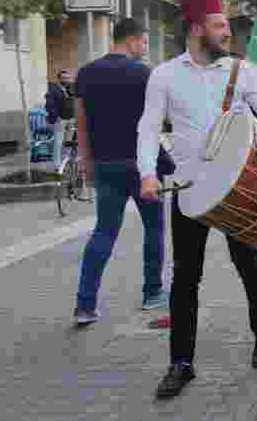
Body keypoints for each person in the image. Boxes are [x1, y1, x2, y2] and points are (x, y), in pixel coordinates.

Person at [137, 0, 257, 399]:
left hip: (237, 185)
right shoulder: (164, 75)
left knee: (248, 263)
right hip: (189, 189)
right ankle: (180, 363)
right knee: (186, 277)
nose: (227, 33)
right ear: (196, 29)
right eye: (219, 25)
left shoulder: (240, 71)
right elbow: (148, 128)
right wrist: (147, 173)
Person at [72, 18, 170, 326]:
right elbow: (158, 121)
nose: (145, 48)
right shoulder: (145, 74)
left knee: (104, 232)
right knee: (154, 229)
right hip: (143, 167)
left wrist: (87, 162)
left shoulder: (86, 73)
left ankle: (85, 305)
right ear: (132, 40)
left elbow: (81, 123)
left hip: (105, 165)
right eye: (144, 42)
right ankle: (152, 292)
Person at [45, 69, 77, 171]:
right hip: (60, 120)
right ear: (59, 79)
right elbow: (49, 104)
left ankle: (65, 162)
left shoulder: (71, 88)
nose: (66, 80)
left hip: (71, 119)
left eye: (67, 78)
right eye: (64, 78)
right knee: (58, 142)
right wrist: (56, 116)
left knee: (69, 142)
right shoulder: (53, 89)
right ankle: (56, 165)